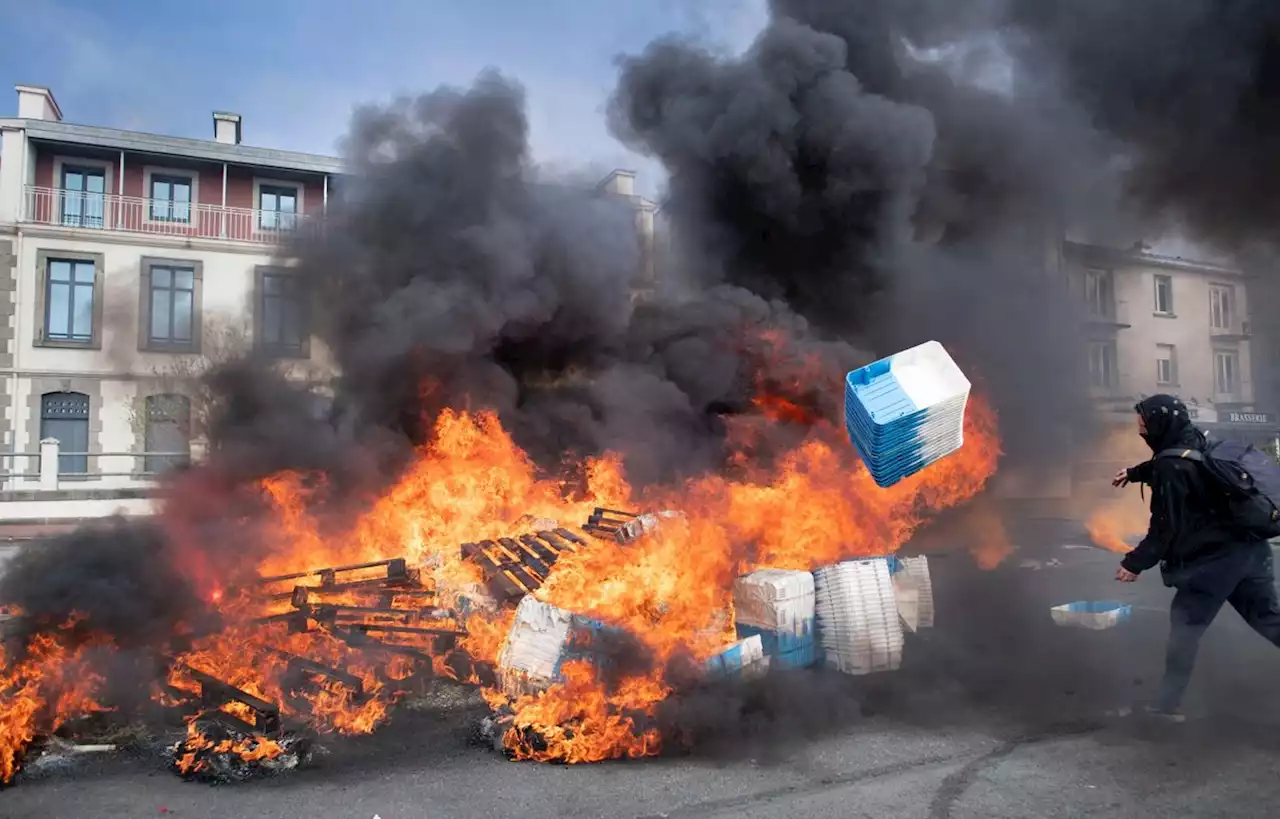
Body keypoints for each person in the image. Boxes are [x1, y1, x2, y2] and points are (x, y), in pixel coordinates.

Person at [1112, 394, 1280, 721]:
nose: (1140, 432)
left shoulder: (1170, 465)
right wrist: (1134, 473)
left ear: (1160, 426)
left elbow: (1165, 528)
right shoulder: (1200, 439)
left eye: (1143, 425)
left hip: (1211, 566)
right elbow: (1182, 464)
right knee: (1270, 620)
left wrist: (1133, 563)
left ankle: (1165, 706)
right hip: (1252, 554)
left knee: (1184, 632)